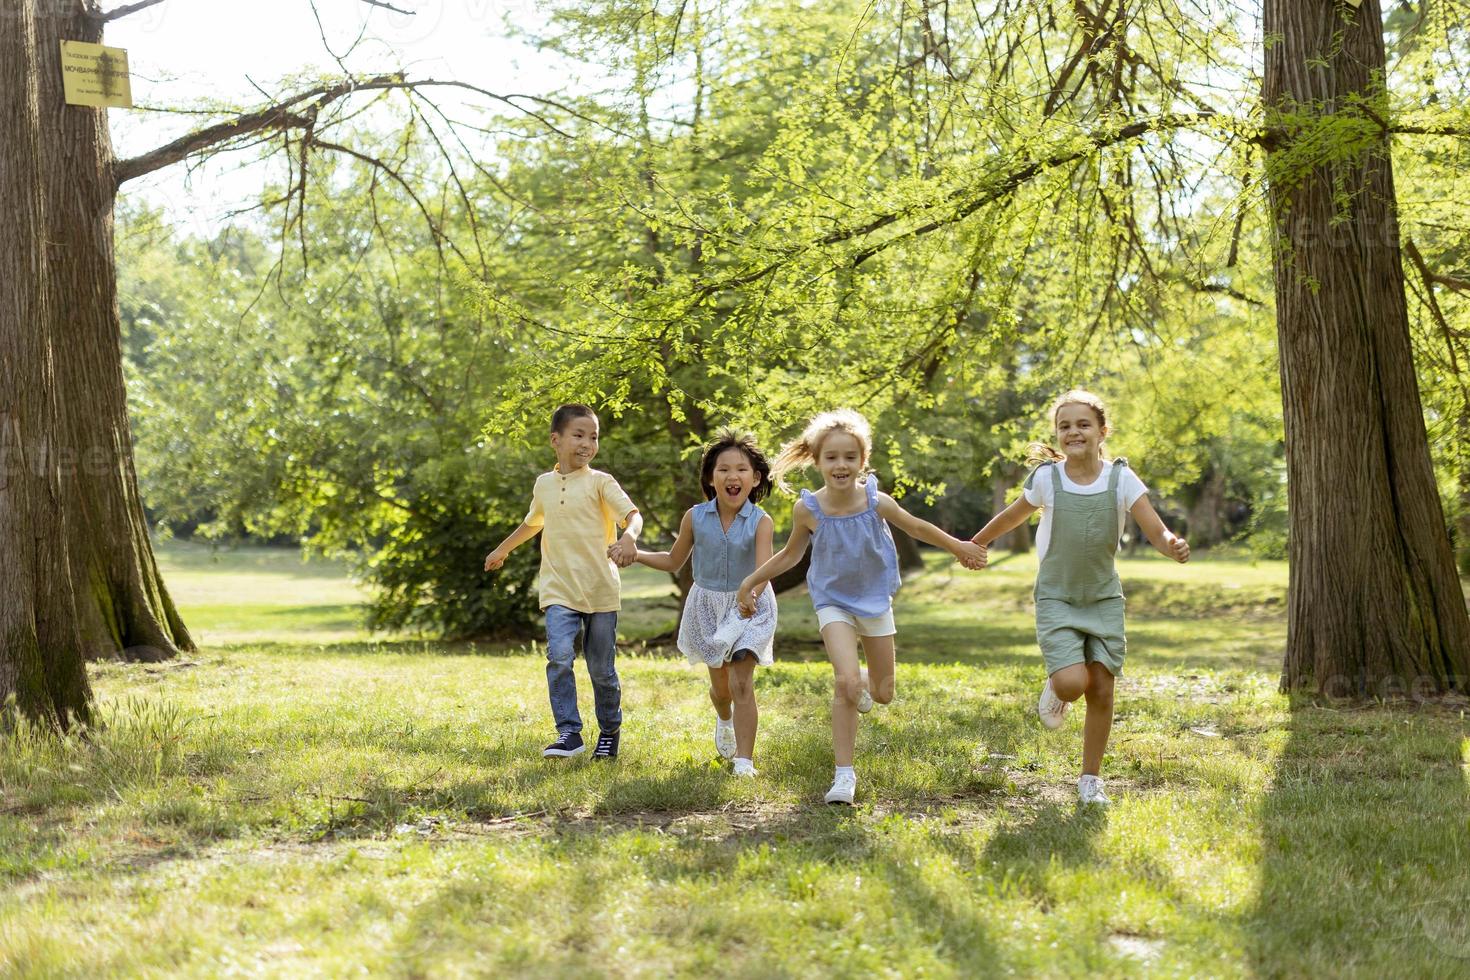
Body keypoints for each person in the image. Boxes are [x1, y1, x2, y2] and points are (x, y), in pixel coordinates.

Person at [738, 409, 986, 804]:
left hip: (874, 599)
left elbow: (917, 527)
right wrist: (751, 582)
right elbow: (789, 556)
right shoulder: (808, 509)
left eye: (850, 457)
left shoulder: (876, 501)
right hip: (832, 600)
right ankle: (843, 776)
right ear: (817, 461)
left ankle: (865, 684)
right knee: (846, 683)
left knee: (884, 691)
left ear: (863, 461)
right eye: (832, 457)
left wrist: (959, 547)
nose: (841, 465)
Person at [969, 389, 1189, 805]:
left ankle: (1090, 779)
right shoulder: (1047, 479)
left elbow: (1154, 529)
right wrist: (975, 544)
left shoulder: (1121, 479)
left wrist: (1172, 544)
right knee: (1073, 684)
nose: (1073, 432)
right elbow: (1013, 515)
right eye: (1065, 426)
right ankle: (1056, 685)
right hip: (1057, 596)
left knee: (1102, 690)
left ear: (1102, 431)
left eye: (1083, 424)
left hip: (1103, 597)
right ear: (1058, 433)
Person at [484, 403, 642, 760]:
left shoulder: (601, 482)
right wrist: (501, 550)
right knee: (558, 657)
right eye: (579, 435)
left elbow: (633, 515)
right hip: (558, 589)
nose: (587, 443)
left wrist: (629, 537)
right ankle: (569, 732)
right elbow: (533, 522)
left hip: (600, 590)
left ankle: (609, 732)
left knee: (602, 670)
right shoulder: (544, 484)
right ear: (556, 440)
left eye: (594, 437)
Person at [635, 428, 777, 777]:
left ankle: (744, 760)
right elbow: (672, 561)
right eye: (723, 469)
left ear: (755, 478)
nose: (733, 476)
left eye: (741, 469)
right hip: (707, 605)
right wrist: (634, 553)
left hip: (751, 606)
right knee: (722, 689)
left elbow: (764, 571)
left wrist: (749, 596)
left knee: (742, 681)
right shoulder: (695, 517)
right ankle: (724, 718)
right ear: (711, 479)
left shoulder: (762, 522)